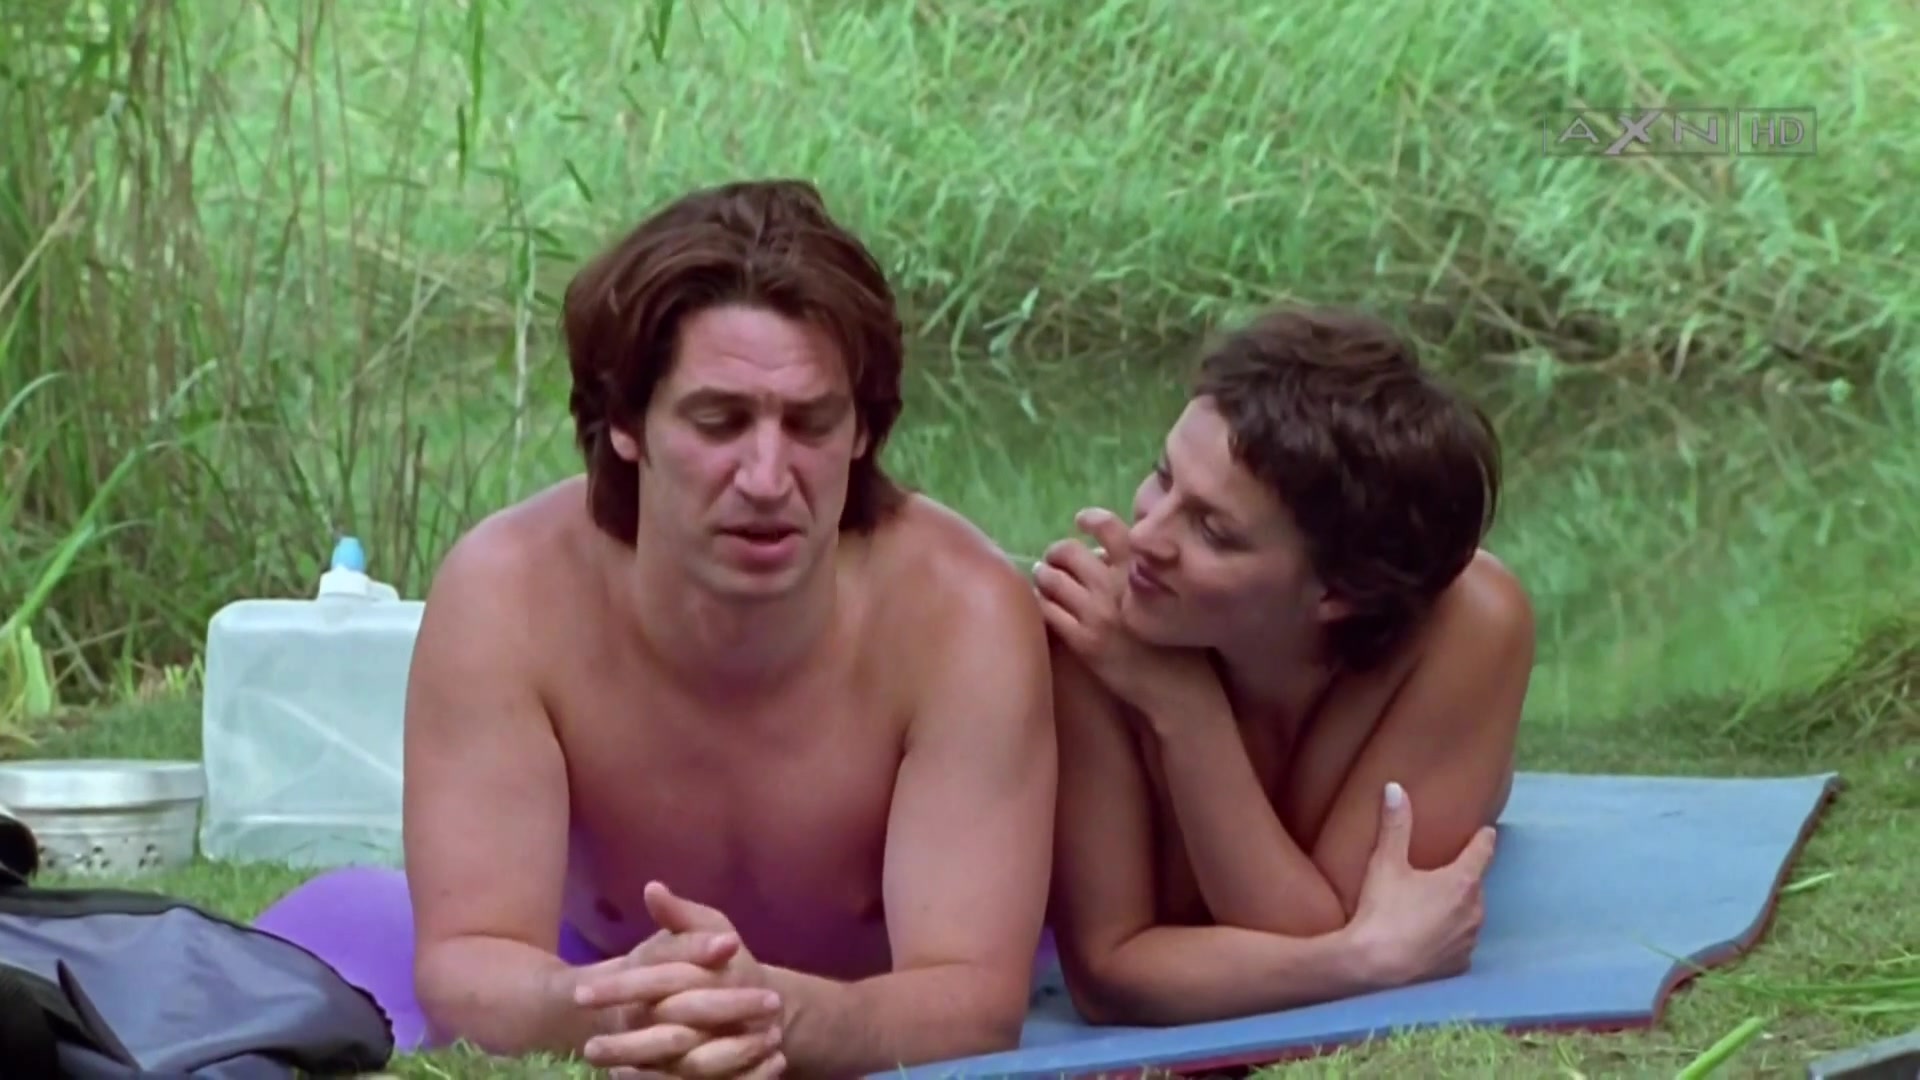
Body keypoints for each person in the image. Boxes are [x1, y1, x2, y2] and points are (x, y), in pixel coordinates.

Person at [253, 179, 1058, 1079]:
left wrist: (770, 1017)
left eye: (810, 424)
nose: (766, 477)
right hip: (599, 964)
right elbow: (471, 959)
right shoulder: (508, 594)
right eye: (720, 422)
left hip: (870, 992)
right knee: (319, 944)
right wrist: (620, 1007)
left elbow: (972, 998)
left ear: (864, 430)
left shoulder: (962, 613)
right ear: (627, 423)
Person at [1031, 306, 1535, 1027]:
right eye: (1163, 477)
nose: (1144, 537)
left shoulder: (1469, 626)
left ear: (1337, 592)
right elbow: (1109, 975)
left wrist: (1185, 710)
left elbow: (1312, 930)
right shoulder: (1100, 633)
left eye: (1213, 530)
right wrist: (1365, 962)